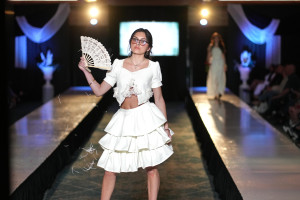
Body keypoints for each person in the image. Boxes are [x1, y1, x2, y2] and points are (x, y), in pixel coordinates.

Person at [78, 28, 174, 200]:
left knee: (151, 168)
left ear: (149, 47)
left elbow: (159, 99)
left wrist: (165, 126)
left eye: (142, 41)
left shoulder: (153, 67)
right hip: (123, 119)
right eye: (135, 39)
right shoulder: (117, 65)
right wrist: (86, 71)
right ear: (130, 43)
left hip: (146, 118)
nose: (138, 43)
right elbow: (99, 91)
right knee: (110, 167)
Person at [206, 32, 227, 100]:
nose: (216, 39)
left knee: (220, 78)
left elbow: (223, 56)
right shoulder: (211, 46)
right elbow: (208, 56)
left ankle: (219, 92)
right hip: (214, 63)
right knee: (214, 78)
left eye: (217, 38)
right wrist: (208, 60)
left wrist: (225, 64)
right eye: (215, 38)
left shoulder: (221, 46)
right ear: (213, 39)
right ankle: (215, 93)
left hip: (220, 63)